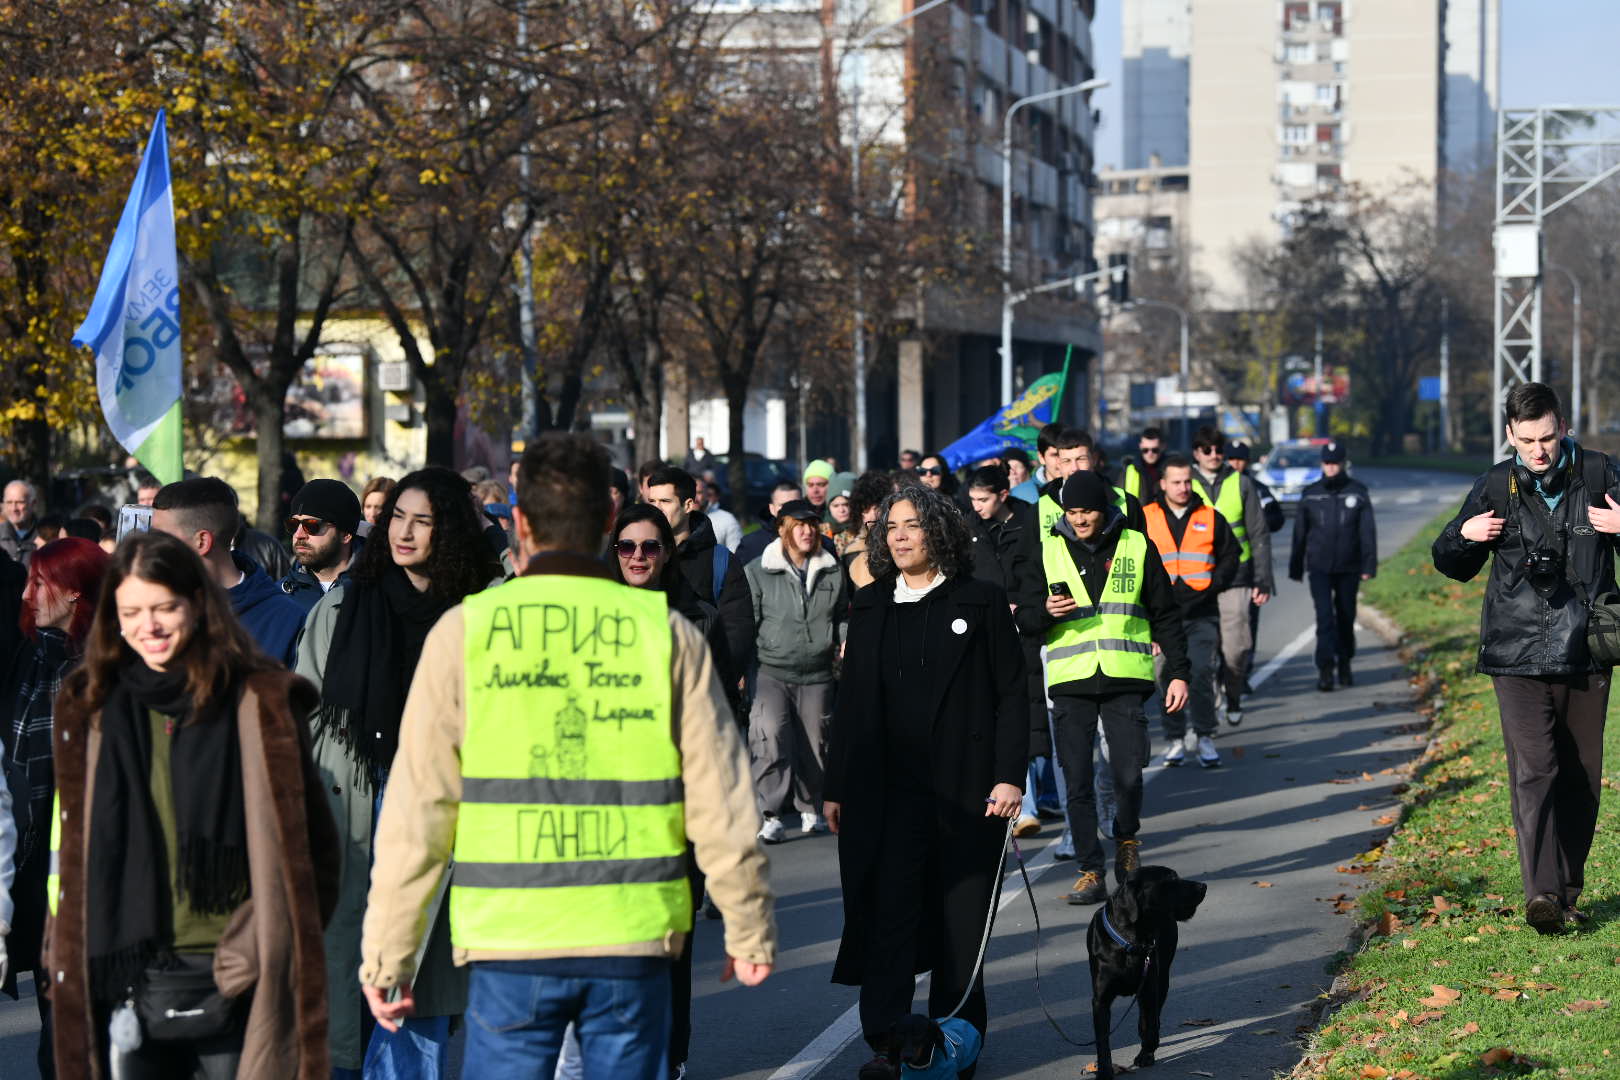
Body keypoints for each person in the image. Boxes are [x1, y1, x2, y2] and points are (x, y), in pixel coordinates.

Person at [357, 434, 776, 1077]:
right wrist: (747, 923)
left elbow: (418, 811)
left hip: (509, 934)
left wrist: (389, 953)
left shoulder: (465, 632)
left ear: (520, 521)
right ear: (609, 519)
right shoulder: (665, 635)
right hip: (633, 930)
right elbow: (720, 797)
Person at [45, 529, 340, 1078]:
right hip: (124, 972)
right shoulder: (90, 706)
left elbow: (315, 856)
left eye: (164, 608)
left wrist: (260, 947)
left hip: (235, 973)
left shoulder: (259, 700)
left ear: (198, 604)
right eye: (131, 612)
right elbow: (72, 846)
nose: (148, 626)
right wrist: (60, 946)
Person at [295, 467, 502, 1077]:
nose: (404, 533)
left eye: (423, 521)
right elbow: (303, 714)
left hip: (441, 805)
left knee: (419, 986)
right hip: (354, 798)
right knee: (349, 973)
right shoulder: (344, 604)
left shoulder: (483, 611)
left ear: (450, 530)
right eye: (397, 518)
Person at [823, 485, 1026, 1079]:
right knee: (889, 917)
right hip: (887, 795)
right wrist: (836, 785)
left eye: (912, 525)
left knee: (961, 925)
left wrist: (1009, 778)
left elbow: (1012, 694)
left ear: (937, 531)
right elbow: (851, 702)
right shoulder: (870, 604)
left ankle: (955, 1039)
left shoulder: (981, 600)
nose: (900, 537)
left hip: (969, 791)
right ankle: (889, 1043)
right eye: (891, 527)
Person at [1432, 383, 1620, 934]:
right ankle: (1542, 895)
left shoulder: (1601, 473)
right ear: (1510, 434)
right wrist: (1463, 535)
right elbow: (1450, 562)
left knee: (1581, 778)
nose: (1538, 451)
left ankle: (1568, 891)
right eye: (1527, 440)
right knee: (1536, 770)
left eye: (1547, 438)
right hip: (1515, 652)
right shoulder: (1495, 484)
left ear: (1563, 426)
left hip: (1587, 650)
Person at [1015, 470, 1189, 905]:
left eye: (1087, 512)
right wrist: (1046, 611)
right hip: (1070, 681)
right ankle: (1090, 870)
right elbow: (1025, 619)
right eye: (1072, 512)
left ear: (1104, 509)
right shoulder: (1047, 550)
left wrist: (1179, 672)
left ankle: (1126, 842)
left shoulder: (1136, 545)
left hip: (1124, 677)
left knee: (1127, 775)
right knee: (1077, 781)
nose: (1079, 520)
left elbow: (1166, 613)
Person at [0, 538, 108, 1078]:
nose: (26, 595)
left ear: (74, 593)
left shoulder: (112, 669)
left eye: (39, 583)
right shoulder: (31, 655)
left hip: (97, 878)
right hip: (36, 860)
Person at [746, 499, 848, 843]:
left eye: (811, 525)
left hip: (818, 672)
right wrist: (742, 668)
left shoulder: (831, 568)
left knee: (817, 744)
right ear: (782, 529)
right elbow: (749, 621)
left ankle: (810, 807)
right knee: (770, 737)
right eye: (798, 525)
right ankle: (771, 814)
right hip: (770, 670)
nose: (806, 531)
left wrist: (845, 639)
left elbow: (842, 616)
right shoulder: (758, 570)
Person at [1142, 455, 1240, 767]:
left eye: (1187, 481)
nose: (1183, 487)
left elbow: (1232, 554)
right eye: (1176, 482)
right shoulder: (1145, 517)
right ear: (1163, 484)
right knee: (1164, 676)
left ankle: (1205, 735)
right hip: (1160, 616)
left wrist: (1215, 583)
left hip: (1201, 612)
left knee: (1200, 672)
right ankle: (1175, 738)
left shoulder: (1209, 516)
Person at [151, 478, 306, 667]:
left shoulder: (289, 620)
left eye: (160, 537)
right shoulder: (148, 609)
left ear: (202, 542)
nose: (150, 545)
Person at [1189, 426, 1274, 727]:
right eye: (1207, 450)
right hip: (1197, 579)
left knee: (1236, 649)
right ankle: (1210, 707)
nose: (1214, 455)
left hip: (1237, 576)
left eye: (1218, 450)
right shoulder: (1185, 484)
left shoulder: (1241, 483)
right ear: (1196, 453)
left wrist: (1262, 579)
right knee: (1204, 650)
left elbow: (1259, 533)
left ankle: (1233, 693)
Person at [647, 466, 753, 687]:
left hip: (705, 688)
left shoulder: (721, 561)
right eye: (652, 502)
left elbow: (737, 632)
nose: (656, 509)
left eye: (665, 501)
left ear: (688, 505)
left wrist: (714, 686)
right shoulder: (634, 555)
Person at [1289, 441, 1377, 691]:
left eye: (1335, 463)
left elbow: (1367, 532)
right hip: (1319, 566)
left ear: (1343, 464)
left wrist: (1368, 564)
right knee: (1325, 618)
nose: (1330, 467)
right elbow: (1300, 532)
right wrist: (1296, 566)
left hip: (1349, 566)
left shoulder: (1357, 492)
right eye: (1327, 463)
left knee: (1346, 617)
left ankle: (1345, 661)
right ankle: (1325, 669)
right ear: (1322, 464)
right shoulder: (1311, 493)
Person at [279, 479, 362, 615]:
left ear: (346, 534)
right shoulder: (279, 597)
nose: (298, 535)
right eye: (293, 524)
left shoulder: (377, 592)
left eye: (311, 526)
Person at [840, 471, 896, 589]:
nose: (873, 516)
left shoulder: (900, 544)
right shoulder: (851, 554)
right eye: (866, 510)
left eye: (877, 508)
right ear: (859, 512)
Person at [737, 480, 803, 565]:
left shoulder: (814, 539)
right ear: (772, 508)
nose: (788, 509)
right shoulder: (751, 544)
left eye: (794, 504)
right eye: (782, 505)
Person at [1119, 428, 1165, 505]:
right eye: (1145, 450)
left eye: (1155, 450)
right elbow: (1120, 502)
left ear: (1162, 447)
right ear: (1140, 446)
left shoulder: (1172, 469)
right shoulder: (1128, 471)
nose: (1150, 453)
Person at [1, 480, 40, 566]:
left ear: (33, 504)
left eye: (19, 502)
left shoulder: (46, 536)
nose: (14, 508)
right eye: (9, 502)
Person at [699, 478, 743, 553]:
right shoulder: (677, 519)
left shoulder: (726, 520)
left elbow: (736, 554)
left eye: (699, 492)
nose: (694, 498)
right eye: (690, 493)